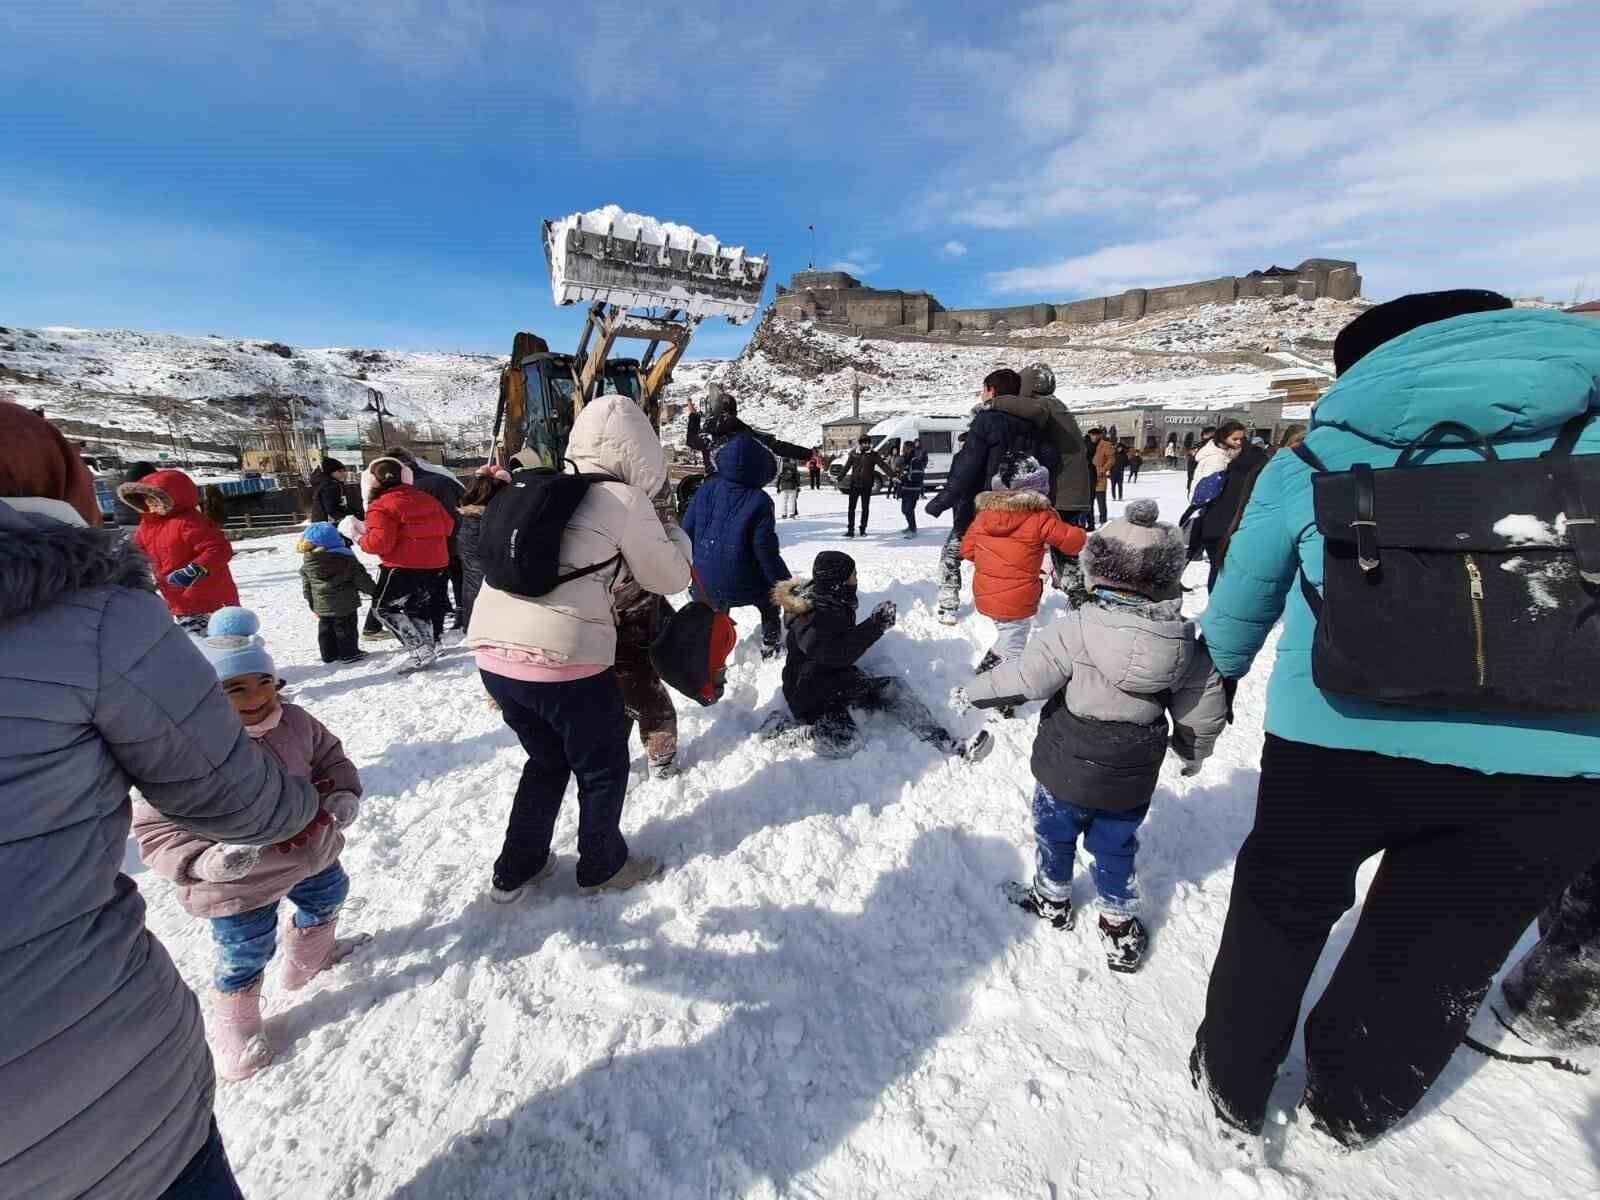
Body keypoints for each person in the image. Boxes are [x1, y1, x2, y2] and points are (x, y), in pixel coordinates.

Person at [1190, 291, 1600, 1148]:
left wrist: (1211, 688)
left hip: (1335, 734)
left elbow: (1238, 608)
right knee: (1444, 941)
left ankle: (1231, 1079)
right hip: (1558, 756)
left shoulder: (1316, 459)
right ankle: (1354, 1102)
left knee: (1282, 908)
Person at [0, 404, 320, 1200]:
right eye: (136, 503)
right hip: (84, 1062)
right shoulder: (95, 605)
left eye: (154, 500)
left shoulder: (176, 539)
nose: (145, 512)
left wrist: (185, 572)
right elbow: (229, 796)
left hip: (194, 606)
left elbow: (208, 550)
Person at [965, 499, 1228, 972]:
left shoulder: (1075, 629)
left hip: (1065, 761)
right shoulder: (1186, 643)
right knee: (1115, 843)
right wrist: (1192, 750)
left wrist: (976, 690)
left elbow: (1027, 678)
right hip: (1132, 769)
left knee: (1054, 831)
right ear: (1167, 577)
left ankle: (1052, 898)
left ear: (1098, 569)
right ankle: (1117, 922)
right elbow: (1203, 708)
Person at [467, 394, 692, 900]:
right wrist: (674, 534)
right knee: (602, 765)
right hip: (564, 660)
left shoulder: (533, 485)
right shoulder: (625, 501)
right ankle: (603, 866)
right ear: (643, 452)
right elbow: (670, 577)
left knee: (545, 760)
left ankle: (515, 870)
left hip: (493, 656)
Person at [132, 607, 365, 1081]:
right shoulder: (181, 751)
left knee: (328, 897)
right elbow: (156, 830)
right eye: (235, 688)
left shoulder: (295, 721)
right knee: (244, 953)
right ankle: (235, 1026)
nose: (257, 696)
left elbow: (328, 756)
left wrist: (340, 791)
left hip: (309, 848)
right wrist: (205, 861)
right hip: (239, 881)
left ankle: (310, 959)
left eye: (264, 681)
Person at [772, 550, 991, 761]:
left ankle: (947, 743)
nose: (856, 580)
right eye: (852, 576)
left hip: (834, 679)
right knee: (848, 742)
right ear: (836, 582)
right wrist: (875, 625)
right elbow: (835, 654)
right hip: (809, 693)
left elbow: (839, 647)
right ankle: (790, 734)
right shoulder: (810, 618)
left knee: (892, 689)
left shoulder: (831, 598)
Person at [926, 368, 1060, 624]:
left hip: (983, 505)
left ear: (991, 390)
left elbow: (967, 465)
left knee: (954, 551)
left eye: (984, 388)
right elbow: (1050, 461)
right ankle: (1020, 605)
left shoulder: (987, 421)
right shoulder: (1037, 423)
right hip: (1024, 506)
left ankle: (948, 605)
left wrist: (942, 501)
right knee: (1016, 557)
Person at [958, 454, 1086, 686]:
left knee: (1008, 639)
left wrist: (994, 558)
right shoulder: (1039, 517)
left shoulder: (985, 515)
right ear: (1038, 486)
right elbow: (1073, 542)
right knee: (1013, 648)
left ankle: (986, 680)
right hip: (1017, 597)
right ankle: (998, 692)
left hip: (986, 592)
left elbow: (967, 550)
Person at [681, 434, 790, 658]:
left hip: (705, 581)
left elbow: (687, 531)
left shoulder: (706, 488)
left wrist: (694, 570)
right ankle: (771, 645)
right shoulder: (760, 500)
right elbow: (766, 553)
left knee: (713, 613)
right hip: (743, 581)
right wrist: (786, 585)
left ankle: (711, 654)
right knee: (770, 600)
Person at [989, 363, 1091, 597]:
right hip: (1074, 491)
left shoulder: (1045, 405)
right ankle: (1076, 597)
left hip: (1065, 493)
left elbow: (1035, 411)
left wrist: (994, 402)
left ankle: (1079, 603)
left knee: (1064, 555)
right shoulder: (1058, 405)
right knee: (1064, 553)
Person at [613, 478, 690, 779]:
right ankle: (662, 762)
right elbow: (673, 573)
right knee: (654, 707)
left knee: (619, 699)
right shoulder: (635, 505)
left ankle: (611, 757)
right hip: (626, 625)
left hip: (593, 629)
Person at [348, 456, 454, 673]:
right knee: (417, 607)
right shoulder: (426, 498)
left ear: (370, 482)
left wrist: (357, 536)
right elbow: (449, 525)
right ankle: (428, 645)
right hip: (437, 564)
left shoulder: (381, 506)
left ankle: (418, 649)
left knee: (384, 608)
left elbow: (380, 544)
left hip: (402, 566)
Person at [117, 466, 241, 633]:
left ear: (172, 498)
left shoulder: (189, 522)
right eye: (146, 499)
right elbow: (136, 551)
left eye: (155, 498)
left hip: (210, 598)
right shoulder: (147, 526)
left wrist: (195, 569)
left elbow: (219, 549)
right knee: (198, 647)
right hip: (178, 601)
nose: (150, 503)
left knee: (217, 644)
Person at [386, 448, 464, 634]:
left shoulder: (399, 492)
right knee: (458, 577)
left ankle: (433, 628)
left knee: (431, 587)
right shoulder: (442, 479)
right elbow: (465, 499)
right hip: (455, 539)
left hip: (423, 549)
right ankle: (462, 612)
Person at [1193, 433, 1268, 591]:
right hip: (1231, 531)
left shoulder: (1227, 471)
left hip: (1209, 529)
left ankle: (1214, 605)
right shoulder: (1256, 477)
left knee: (1217, 570)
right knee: (1230, 577)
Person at [299, 519, 377, 663]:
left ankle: (328, 655)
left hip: (322, 606)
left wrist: (313, 605)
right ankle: (349, 653)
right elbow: (361, 579)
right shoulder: (346, 560)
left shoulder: (308, 563)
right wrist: (375, 592)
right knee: (346, 630)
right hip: (345, 605)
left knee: (325, 630)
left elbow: (307, 586)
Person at [686, 387, 811, 476]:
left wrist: (693, 416)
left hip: (714, 487)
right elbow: (778, 447)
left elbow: (691, 439)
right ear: (734, 412)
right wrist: (808, 454)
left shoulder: (707, 436)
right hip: (740, 487)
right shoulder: (745, 433)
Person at [456, 464, 511, 633]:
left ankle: (471, 625)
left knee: (472, 582)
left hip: (474, 607)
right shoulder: (493, 521)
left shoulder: (468, 518)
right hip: (493, 612)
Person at [841, 433, 890, 537]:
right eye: (864, 443)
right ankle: (850, 530)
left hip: (867, 485)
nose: (866, 445)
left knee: (865, 508)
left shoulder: (873, 455)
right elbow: (847, 467)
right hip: (854, 484)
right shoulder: (854, 453)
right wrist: (840, 477)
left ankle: (863, 529)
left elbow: (883, 465)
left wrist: (893, 476)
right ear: (860, 443)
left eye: (868, 443)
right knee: (851, 508)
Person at [1189, 421, 1245, 500]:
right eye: (1235, 439)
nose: (1239, 442)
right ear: (1224, 437)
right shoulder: (1217, 459)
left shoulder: (1224, 452)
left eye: (1241, 439)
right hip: (1208, 504)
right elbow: (1210, 489)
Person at [310, 455, 359, 525]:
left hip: (320, 522)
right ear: (331, 472)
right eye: (339, 471)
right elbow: (332, 508)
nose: (344, 473)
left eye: (344, 470)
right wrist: (350, 515)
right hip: (329, 524)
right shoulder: (330, 485)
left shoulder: (325, 483)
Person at [898, 440, 928, 537]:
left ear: (910, 449)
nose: (902, 450)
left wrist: (905, 477)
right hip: (905, 489)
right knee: (904, 510)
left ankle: (912, 529)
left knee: (909, 509)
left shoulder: (915, 460)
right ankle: (910, 526)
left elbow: (918, 475)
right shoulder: (905, 459)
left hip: (913, 490)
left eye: (904, 448)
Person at [1088, 428, 1116, 526]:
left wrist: (1103, 469)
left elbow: (1111, 460)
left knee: (1101, 502)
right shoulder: (1087, 444)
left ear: (1100, 435)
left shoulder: (1106, 445)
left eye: (1096, 435)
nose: (1093, 437)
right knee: (1089, 503)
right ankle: (1090, 523)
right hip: (1089, 478)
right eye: (1092, 435)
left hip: (1100, 477)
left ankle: (1103, 522)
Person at [776, 454, 802, 519]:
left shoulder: (781, 468)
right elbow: (797, 477)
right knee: (792, 501)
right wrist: (798, 485)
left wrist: (777, 487)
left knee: (783, 501)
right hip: (792, 485)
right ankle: (791, 514)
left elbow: (779, 478)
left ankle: (784, 514)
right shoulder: (793, 466)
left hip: (783, 486)